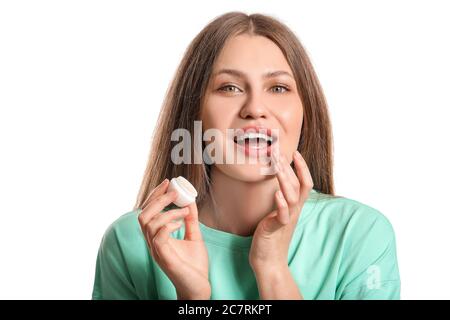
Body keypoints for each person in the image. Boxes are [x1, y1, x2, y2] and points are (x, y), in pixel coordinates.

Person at [92, 11, 401, 300]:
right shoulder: (133, 241)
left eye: (278, 88)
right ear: (194, 113)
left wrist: (273, 267)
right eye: (229, 88)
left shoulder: (360, 234)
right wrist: (194, 298)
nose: (255, 108)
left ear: (305, 112)